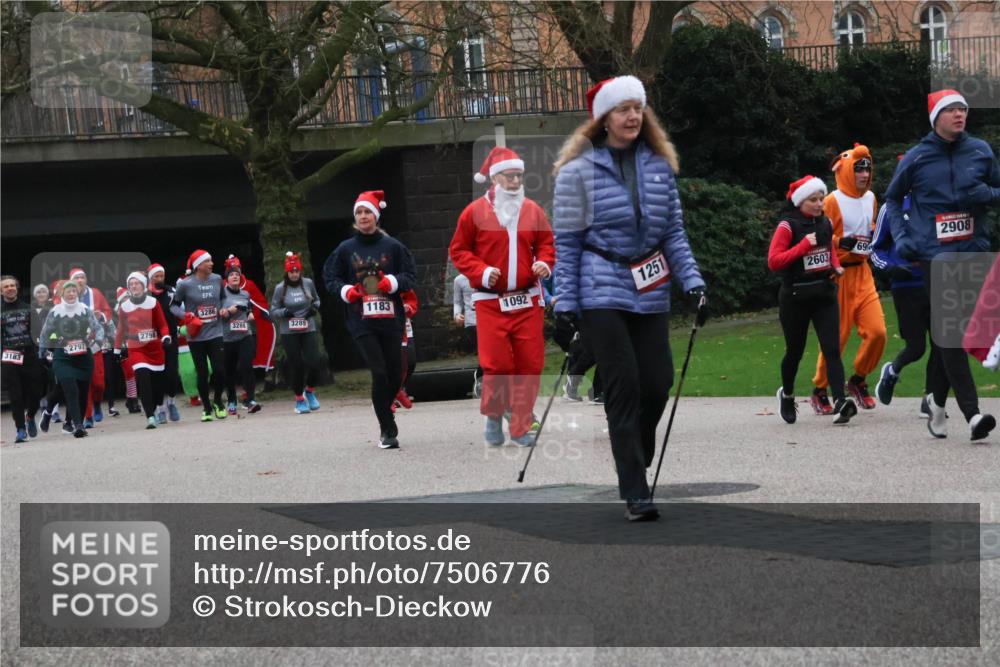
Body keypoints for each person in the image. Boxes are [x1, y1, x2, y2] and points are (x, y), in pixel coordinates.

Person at [552, 75, 706, 522]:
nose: (633, 116)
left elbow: (673, 233)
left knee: (657, 382)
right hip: (600, 286)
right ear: (604, 118)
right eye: (623, 109)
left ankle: (637, 447)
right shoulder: (577, 172)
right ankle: (635, 490)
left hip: (649, 286)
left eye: (638, 108)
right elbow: (567, 244)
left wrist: (693, 282)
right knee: (624, 384)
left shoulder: (659, 165)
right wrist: (566, 303)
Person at [885, 88, 998, 441]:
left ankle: (935, 400)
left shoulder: (980, 151)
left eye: (963, 108)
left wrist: (986, 195)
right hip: (935, 254)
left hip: (974, 249)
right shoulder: (917, 158)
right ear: (936, 118)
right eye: (951, 110)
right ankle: (973, 414)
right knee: (951, 331)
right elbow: (892, 199)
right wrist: (902, 237)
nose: (960, 114)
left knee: (968, 329)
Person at [450, 146, 555, 447]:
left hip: (527, 301)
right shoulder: (474, 213)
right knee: (497, 366)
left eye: (519, 176)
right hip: (490, 302)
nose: (516, 181)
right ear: (495, 178)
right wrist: (481, 272)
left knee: (530, 365)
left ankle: (520, 428)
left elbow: (546, 243)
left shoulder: (532, 210)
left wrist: (544, 263)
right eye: (510, 176)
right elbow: (459, 250)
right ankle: (495, 415)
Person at [323, 190, 416, 449]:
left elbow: (410, 275)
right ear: (355, 218)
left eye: (367, 212)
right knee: (379, 371)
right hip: (361, 319)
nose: (363, 216)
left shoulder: (394, 246)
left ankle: (387, 404)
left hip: (390, 318)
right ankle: (387, 429)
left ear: (376, 216)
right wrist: (347, 291)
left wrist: (391, 282)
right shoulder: (345, 249)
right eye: (359, 213)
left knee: (394, 372)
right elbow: (330, 277)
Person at [768, 176, 857, 426]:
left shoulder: (825, 222)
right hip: (795, 297)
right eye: (813, 200)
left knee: (832, 349)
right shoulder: (788, 226)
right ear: (800, 202)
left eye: (821, 199)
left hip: (824, 294)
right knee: (795, 352)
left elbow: (828, 250)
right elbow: (774, 261)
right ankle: (787, 394)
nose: (819, 204)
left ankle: (840, 402)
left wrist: (836, 265)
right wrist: (803, 246)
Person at [809, 144, 886, 413]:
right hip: (837, 274)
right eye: (858, 170)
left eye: (867, 169)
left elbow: (870, 226)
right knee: (837, 338)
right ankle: (820, 389)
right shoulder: (831, 201)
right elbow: (816, 235)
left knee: (877, 332)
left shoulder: (871, 198)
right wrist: (840, 241)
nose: (864, 175)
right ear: (844, 172)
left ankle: (858, 379)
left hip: (863, 273)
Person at [871, 198, 934, 416]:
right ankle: (892, 371)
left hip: (937, 282)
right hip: (906, 287)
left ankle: (932, 401)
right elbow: (875, 249)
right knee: (916, 348)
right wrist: (891, 268)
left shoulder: (937, 199)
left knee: (942, 347)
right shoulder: (891, 207)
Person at [38, 279, 104, 437]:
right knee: (71, 389)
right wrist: (43, 352)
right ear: (62, 293)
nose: (71, 294)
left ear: (77, 293)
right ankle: (78, 426)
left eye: (74, 291)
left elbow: (98, 328)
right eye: (68, 291)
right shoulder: (55, 311)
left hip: (83, 357)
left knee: (82, 392)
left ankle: (51, 412)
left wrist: (97, 344)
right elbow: (45, 334)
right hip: (63, 357)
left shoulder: (85, 310)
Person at [171, 250, 228, 422]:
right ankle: (206, 408)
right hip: (196, 336)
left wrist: (223, 308)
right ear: (198, 266)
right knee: (202, 373)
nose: (211, 263)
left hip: (216, 331)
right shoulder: (185, 284)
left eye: (211, 260)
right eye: (207, 261)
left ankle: (218, 402)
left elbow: (224, 298)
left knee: (219, 370)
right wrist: (185, 315)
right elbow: (173, 306)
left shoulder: (217, 279)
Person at [114, 272, 171, 429]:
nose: (133, 286)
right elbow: (120, 329)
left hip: (155, 348)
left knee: (158, 386)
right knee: (143, 378)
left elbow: (162, 324)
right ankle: (150, 416)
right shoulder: (125, 307)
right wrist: (117, 349)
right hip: (136, 348)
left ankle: (158, 405)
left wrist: (166, 336)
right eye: (131, 284)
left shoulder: (153, 302)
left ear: (144, 285)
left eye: (136, 283)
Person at [270, 251, 322, 414]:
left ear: (300, 271)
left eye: (296, 271)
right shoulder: (280, 288)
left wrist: (314, 309)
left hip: (308, 328)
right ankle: (299, 399)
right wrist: (285, 312)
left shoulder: (308, 283)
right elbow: (273, 310)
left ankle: (310, 391)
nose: (294, 274)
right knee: (296, 365)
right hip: (289, 332)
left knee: (315, 362)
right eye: (291, 271)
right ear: (287, 272)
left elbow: (317, 300)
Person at [65, 269, 110, 428]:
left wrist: (101, 316)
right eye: (76, 278)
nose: (80, 280)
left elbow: (107, 311)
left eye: (82, 277)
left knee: (98, 383)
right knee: (85, 381)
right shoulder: (66, 297)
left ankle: (97, 403)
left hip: (95, 344)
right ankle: (88, 415)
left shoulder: (95, 293)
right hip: (77, 346)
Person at [2, 275, 43, 442]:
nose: (10, 288)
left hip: (29, 356)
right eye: (6, 287)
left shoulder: (28, 308)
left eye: (12, 285)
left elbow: (39, 332)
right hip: (8, 357)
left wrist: (42, 351)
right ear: (1, 291)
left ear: (17, 288)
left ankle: (30, 416)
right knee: (15, 395)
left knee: (36, 392)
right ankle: (20, 429)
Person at [224, 254, 277, 381]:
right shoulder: (221, 286)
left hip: (247, 330)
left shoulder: (249, 285)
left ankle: (249, 389)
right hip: (227, 333)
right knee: (230, 364)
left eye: (237, 271)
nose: (235, 275)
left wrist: (263, 313)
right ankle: (232, 389)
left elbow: (259, 302)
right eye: (232, 272)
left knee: (246, 361)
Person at [220, 262, 261, 414]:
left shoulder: (245, 294)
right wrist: (228, 311)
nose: (235, 277)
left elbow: (248, 308)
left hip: (245, 335)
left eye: (237, 274)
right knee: (229, 371)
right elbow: (218, 315)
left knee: (247, 366)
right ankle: (231, 399)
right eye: (231, 275)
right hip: (227, 338)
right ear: (227, 279)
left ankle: (250, 400)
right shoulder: (221, 294)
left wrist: (250, 314)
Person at [147, 263, 182, 422]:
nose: (160, 279)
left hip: (171, 338)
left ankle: (172, 403)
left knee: (172, 374)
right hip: (153, 340)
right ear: (151, 278)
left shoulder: (171, 292)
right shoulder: (146, 295)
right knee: (158, 376)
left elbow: (180, 311)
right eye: (157, 276)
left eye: (162, 276)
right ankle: (160, 408)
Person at [452, 272, 483, 397]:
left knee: (494, 353)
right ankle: (480, 379)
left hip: (490, 319)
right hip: (472, 322)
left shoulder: (488, 274)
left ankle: (483, 376)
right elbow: (457, 302)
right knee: (484, 351)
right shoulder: (459, 280)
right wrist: (457, 314)